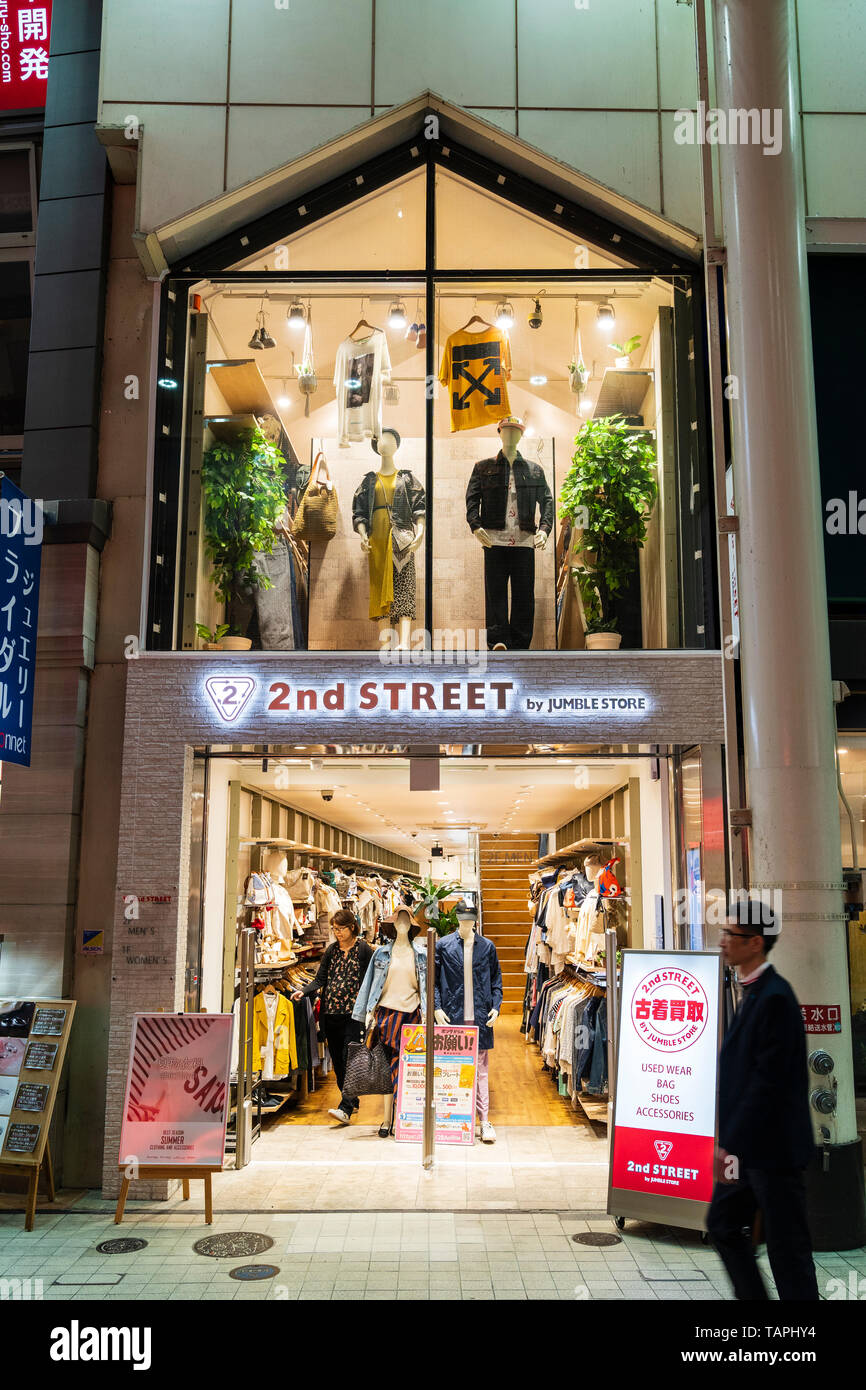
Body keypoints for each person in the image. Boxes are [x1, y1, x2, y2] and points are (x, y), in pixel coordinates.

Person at [706, 898, 819, 1301]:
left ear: (755, 943)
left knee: (788, 1251)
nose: (722, 942)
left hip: (774, 1153)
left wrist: (728, 1146)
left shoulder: (775, 997)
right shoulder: (752, 991)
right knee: (722, 1225)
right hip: (749, 1152)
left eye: (730, 935)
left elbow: (766, 1085)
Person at [292, 908, 373, 1125]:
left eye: (341, 929)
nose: (338, 933)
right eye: (335, 929)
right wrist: (305, 991)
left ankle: (345, 1107)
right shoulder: (331, 951)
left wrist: (370, 1008)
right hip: (331, 1014)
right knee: (337, 1062)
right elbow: (321, 979)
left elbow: (371, 980)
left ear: (352, 927)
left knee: (349, 1058)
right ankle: (351, 1097)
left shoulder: (364, 950)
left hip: (354, 1016)